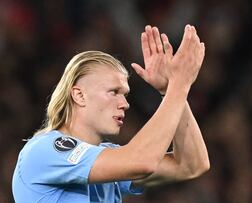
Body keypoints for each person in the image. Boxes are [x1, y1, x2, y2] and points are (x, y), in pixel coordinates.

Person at [12, 24, 210, 202]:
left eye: (125, 94)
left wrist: (170, 89)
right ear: (79, 96)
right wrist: (179, 85)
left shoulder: (105, 158)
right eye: (114, 92)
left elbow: (191, 165)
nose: (125, 104)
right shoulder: (46, 150)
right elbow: (141, 162)